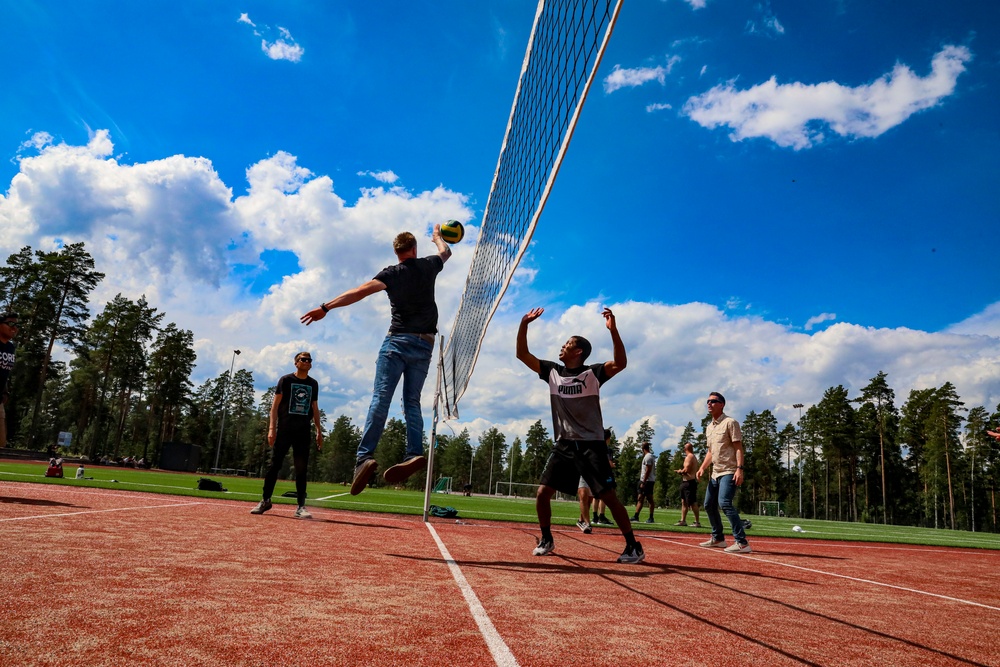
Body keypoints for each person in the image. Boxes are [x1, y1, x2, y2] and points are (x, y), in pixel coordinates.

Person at [302, 225, 452, 495]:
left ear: (397, 253)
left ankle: (364, 458)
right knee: (412, 402)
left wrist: (325, 307)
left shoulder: (391, 274)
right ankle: (413, 453)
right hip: (425, 345)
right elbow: (446, 252)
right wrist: (437, 236)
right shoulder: (429, 265)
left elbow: (359, 292)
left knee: (381, 398)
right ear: (415, 249)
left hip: (397, 342)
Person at [516, 306, 644, 564]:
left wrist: (613, 331)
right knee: (542, 493)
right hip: (564, 445)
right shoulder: (552, 371)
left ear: (579, 352)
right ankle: (546, 538)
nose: (562, 347)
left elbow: (620, 363)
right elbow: (522, 355)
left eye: (567, 344)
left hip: (591, 446)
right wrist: (524, 324)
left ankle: (633, 546)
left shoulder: (593, 373)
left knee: (608, 497)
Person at [251, 352, 324, 519]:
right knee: (274, 466)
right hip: (285, 429)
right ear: (296, 363)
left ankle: (300, 506)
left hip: (303, 431)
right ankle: (265, 500)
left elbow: (314, 408)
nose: (307, 362)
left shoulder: (313, 384)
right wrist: (271, 428)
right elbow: (274, 406)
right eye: (303, 359)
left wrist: (318, 430)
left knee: (301, 469)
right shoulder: (286, 380)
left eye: (309, 360)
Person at [696, 392, 751, 553]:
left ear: (722, 404)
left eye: (713, 401)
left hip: (729, 471)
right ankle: (718, 538)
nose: (709, 403)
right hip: (715, 473)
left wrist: (740, 469)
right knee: (708, 505)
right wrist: (702, 468)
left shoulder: (730, 423)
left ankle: (742, 542)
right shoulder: (709, 427)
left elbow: (738, 448)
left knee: (725, 503)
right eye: (708, 401)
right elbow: (711, 452)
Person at [591, 428, 615, 525]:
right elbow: (609, 463)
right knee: (603, 496)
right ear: (608, 438)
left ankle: (594, 517)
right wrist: (613, 465)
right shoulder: (607, 449)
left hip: (595, 473)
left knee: (595, 496)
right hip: (604, 474)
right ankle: (601, 516)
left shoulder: (596, 447)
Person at [674, 442, 701, 527]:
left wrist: (679, 471)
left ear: (685, 449)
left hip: (689, 482)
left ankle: (697, 522)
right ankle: (683, 520)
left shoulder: (689, 457)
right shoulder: (692, 457)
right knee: (684, 502)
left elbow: (686, 470)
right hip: (686, 482)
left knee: (692, 503)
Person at [0, 312, 16, 448]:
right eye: (10, 324)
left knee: (1, 442)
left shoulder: (10, 347)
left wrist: (5, 391)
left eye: (16, 325)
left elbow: (4, 372)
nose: (14, 328)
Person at [632, 442, 656, 524]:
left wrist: (644, 481)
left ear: (643, 448)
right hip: (646, 480)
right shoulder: (648, 456)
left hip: (647, 481)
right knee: (640, 498)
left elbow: (648, 470)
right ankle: (636, 516)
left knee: (649, 499)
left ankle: (650, 517)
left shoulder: (648, 457)